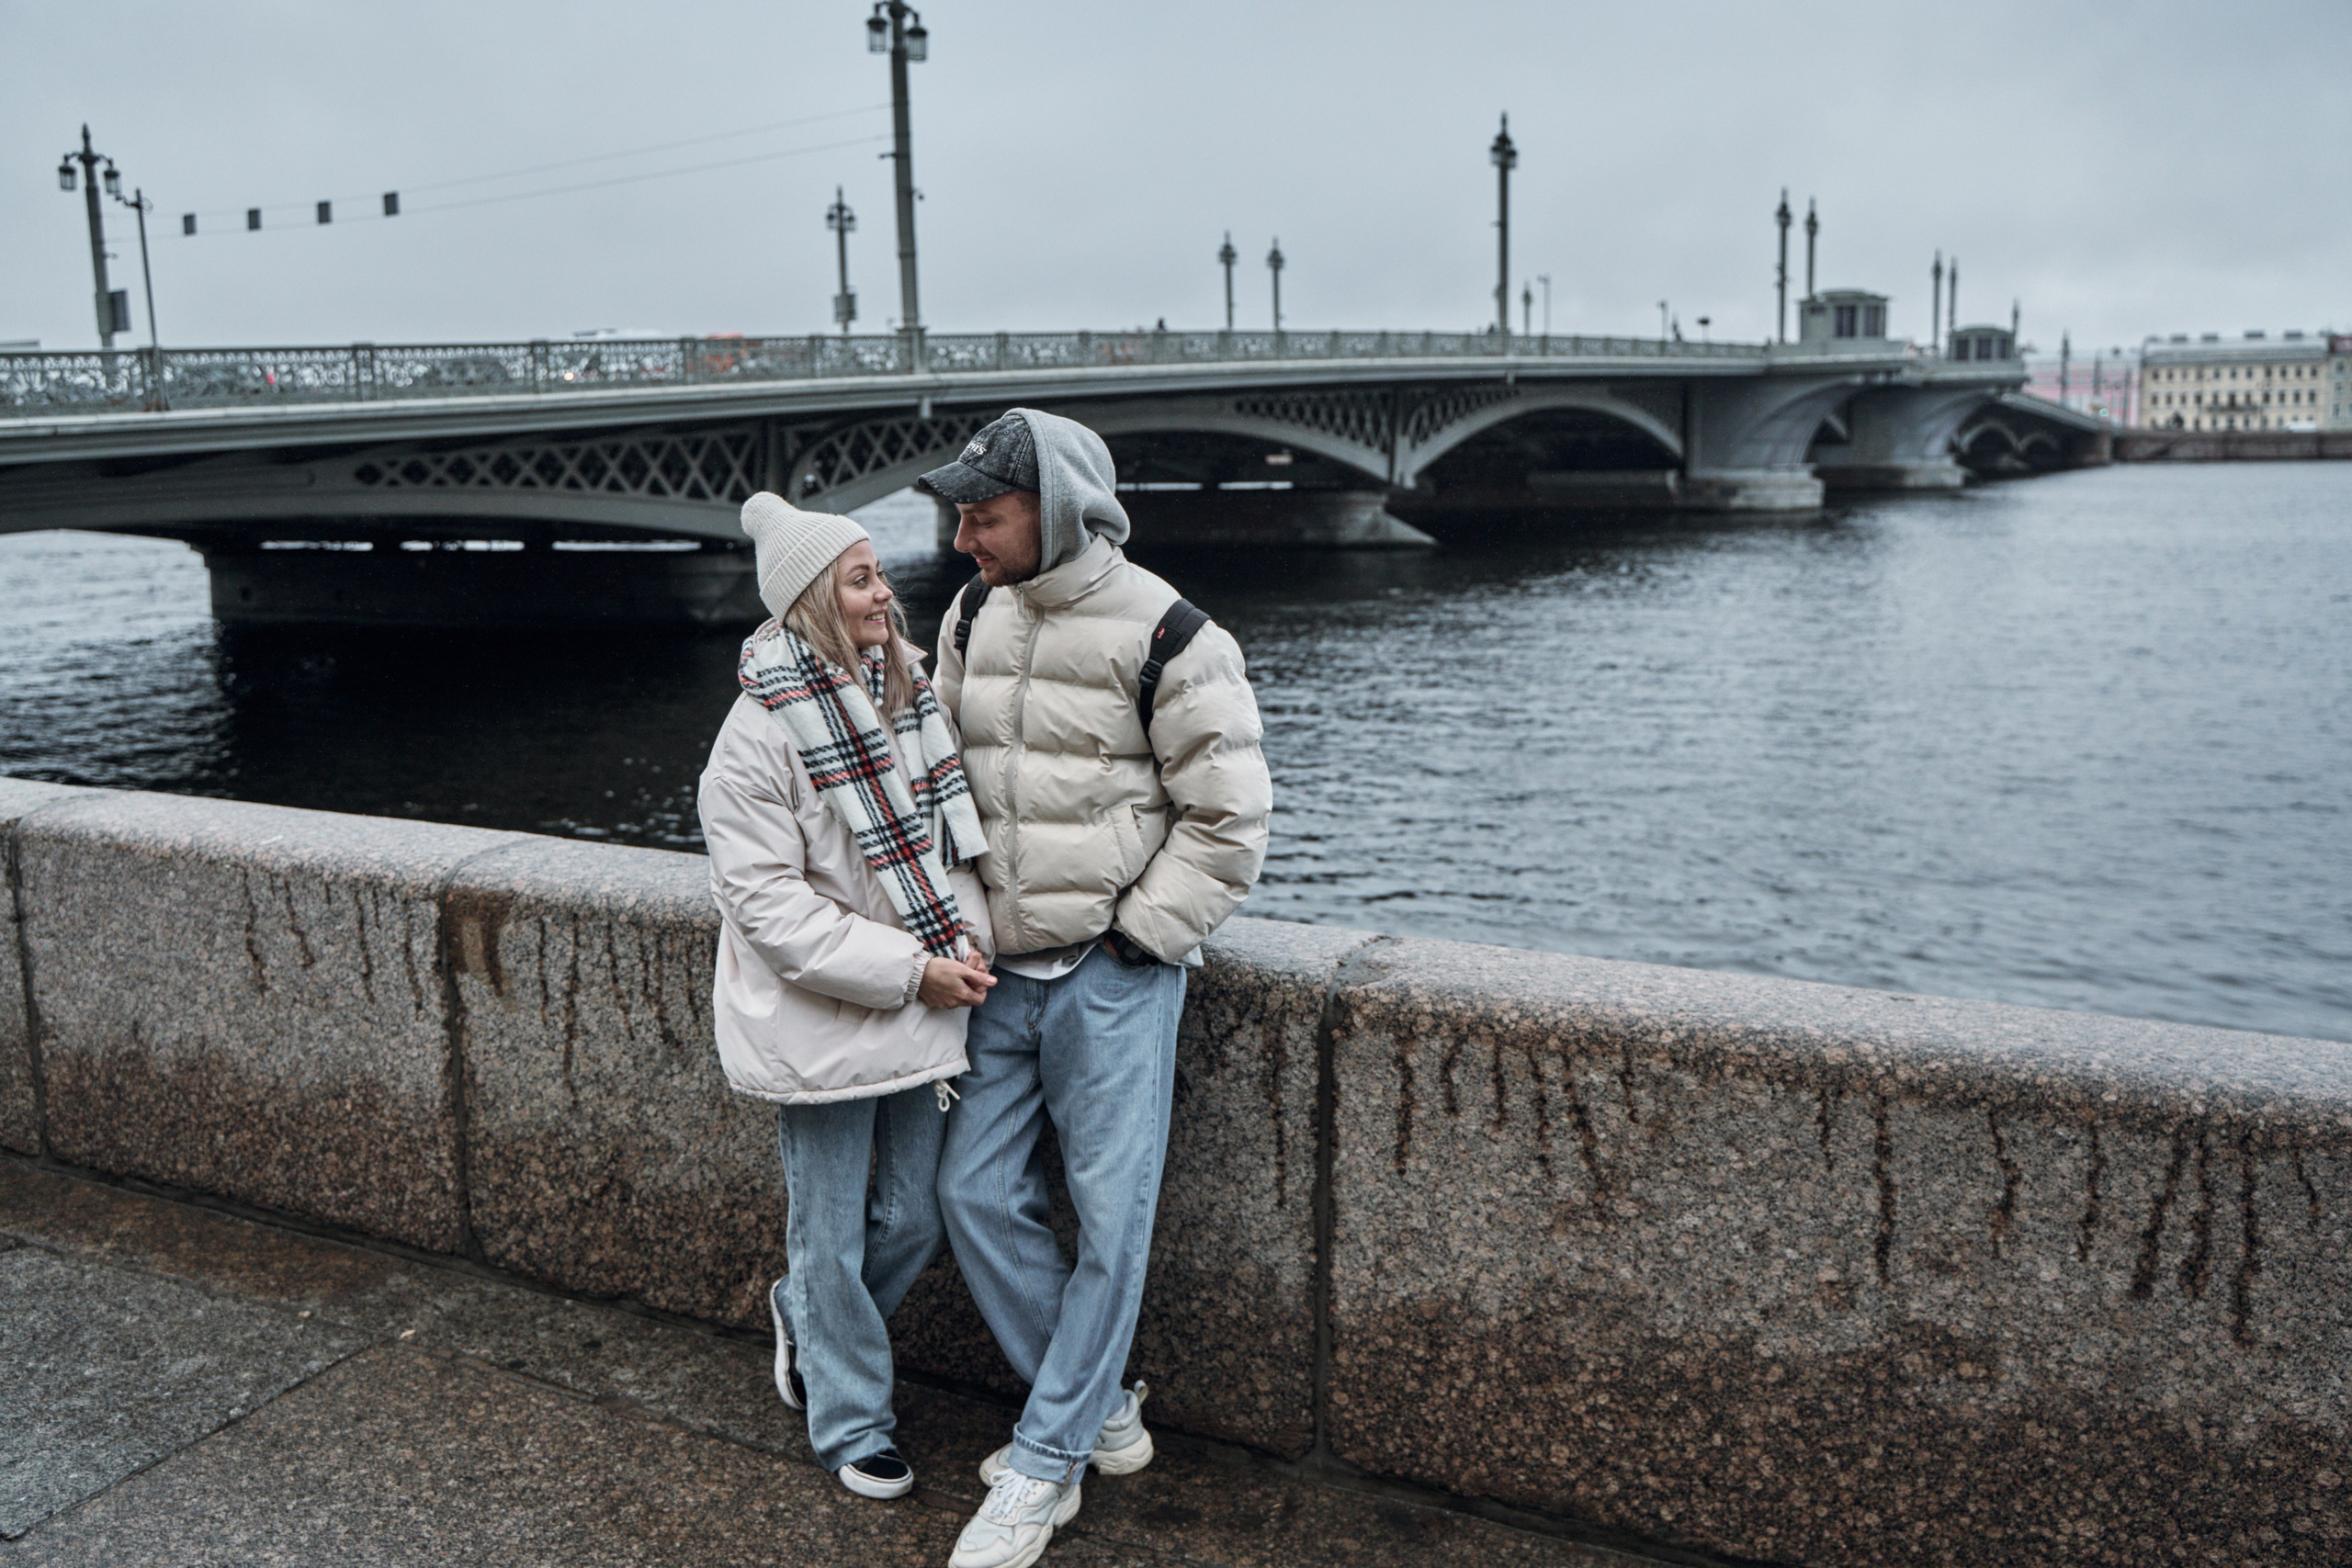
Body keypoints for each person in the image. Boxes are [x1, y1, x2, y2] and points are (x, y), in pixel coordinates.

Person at [923, 409, 1272, 1568]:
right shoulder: (970, 612)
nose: (965, 535)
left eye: (986, 514)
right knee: (971, 1196)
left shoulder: (1172, 630)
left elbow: (1231, 819)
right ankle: (1098, 1407)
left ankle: (1045, 1462)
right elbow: (942, 773)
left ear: (1057, 507)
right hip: (992, 969)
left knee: (1112, 1223)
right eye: (961, 514)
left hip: (1109, 973)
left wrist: (1136, 945)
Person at [697, 492, 999, 1502]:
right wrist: (913, 968)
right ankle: (851, 1421)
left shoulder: (907, 695)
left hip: (921, 996)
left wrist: (960, 951)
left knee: (912, 1218)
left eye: (878, 575)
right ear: (812, 602)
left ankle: (807, 1315)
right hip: (825, 1019)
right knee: (828, 1230)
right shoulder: (753, 741)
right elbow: (769, 912)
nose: (886, 594)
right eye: (862, 580)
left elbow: (948, 854)